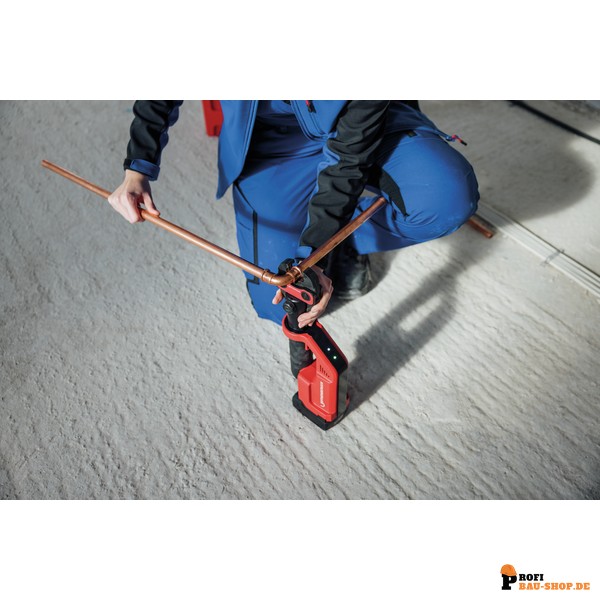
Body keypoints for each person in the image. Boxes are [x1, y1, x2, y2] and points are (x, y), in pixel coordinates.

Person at [108, 101, 479, 328]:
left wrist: (315, 251)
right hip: (270, 144)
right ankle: (334, 239)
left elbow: (348, 161)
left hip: (366, 129)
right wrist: (138, 167)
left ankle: (341, 241)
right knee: (282, 305)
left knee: (445, 198)